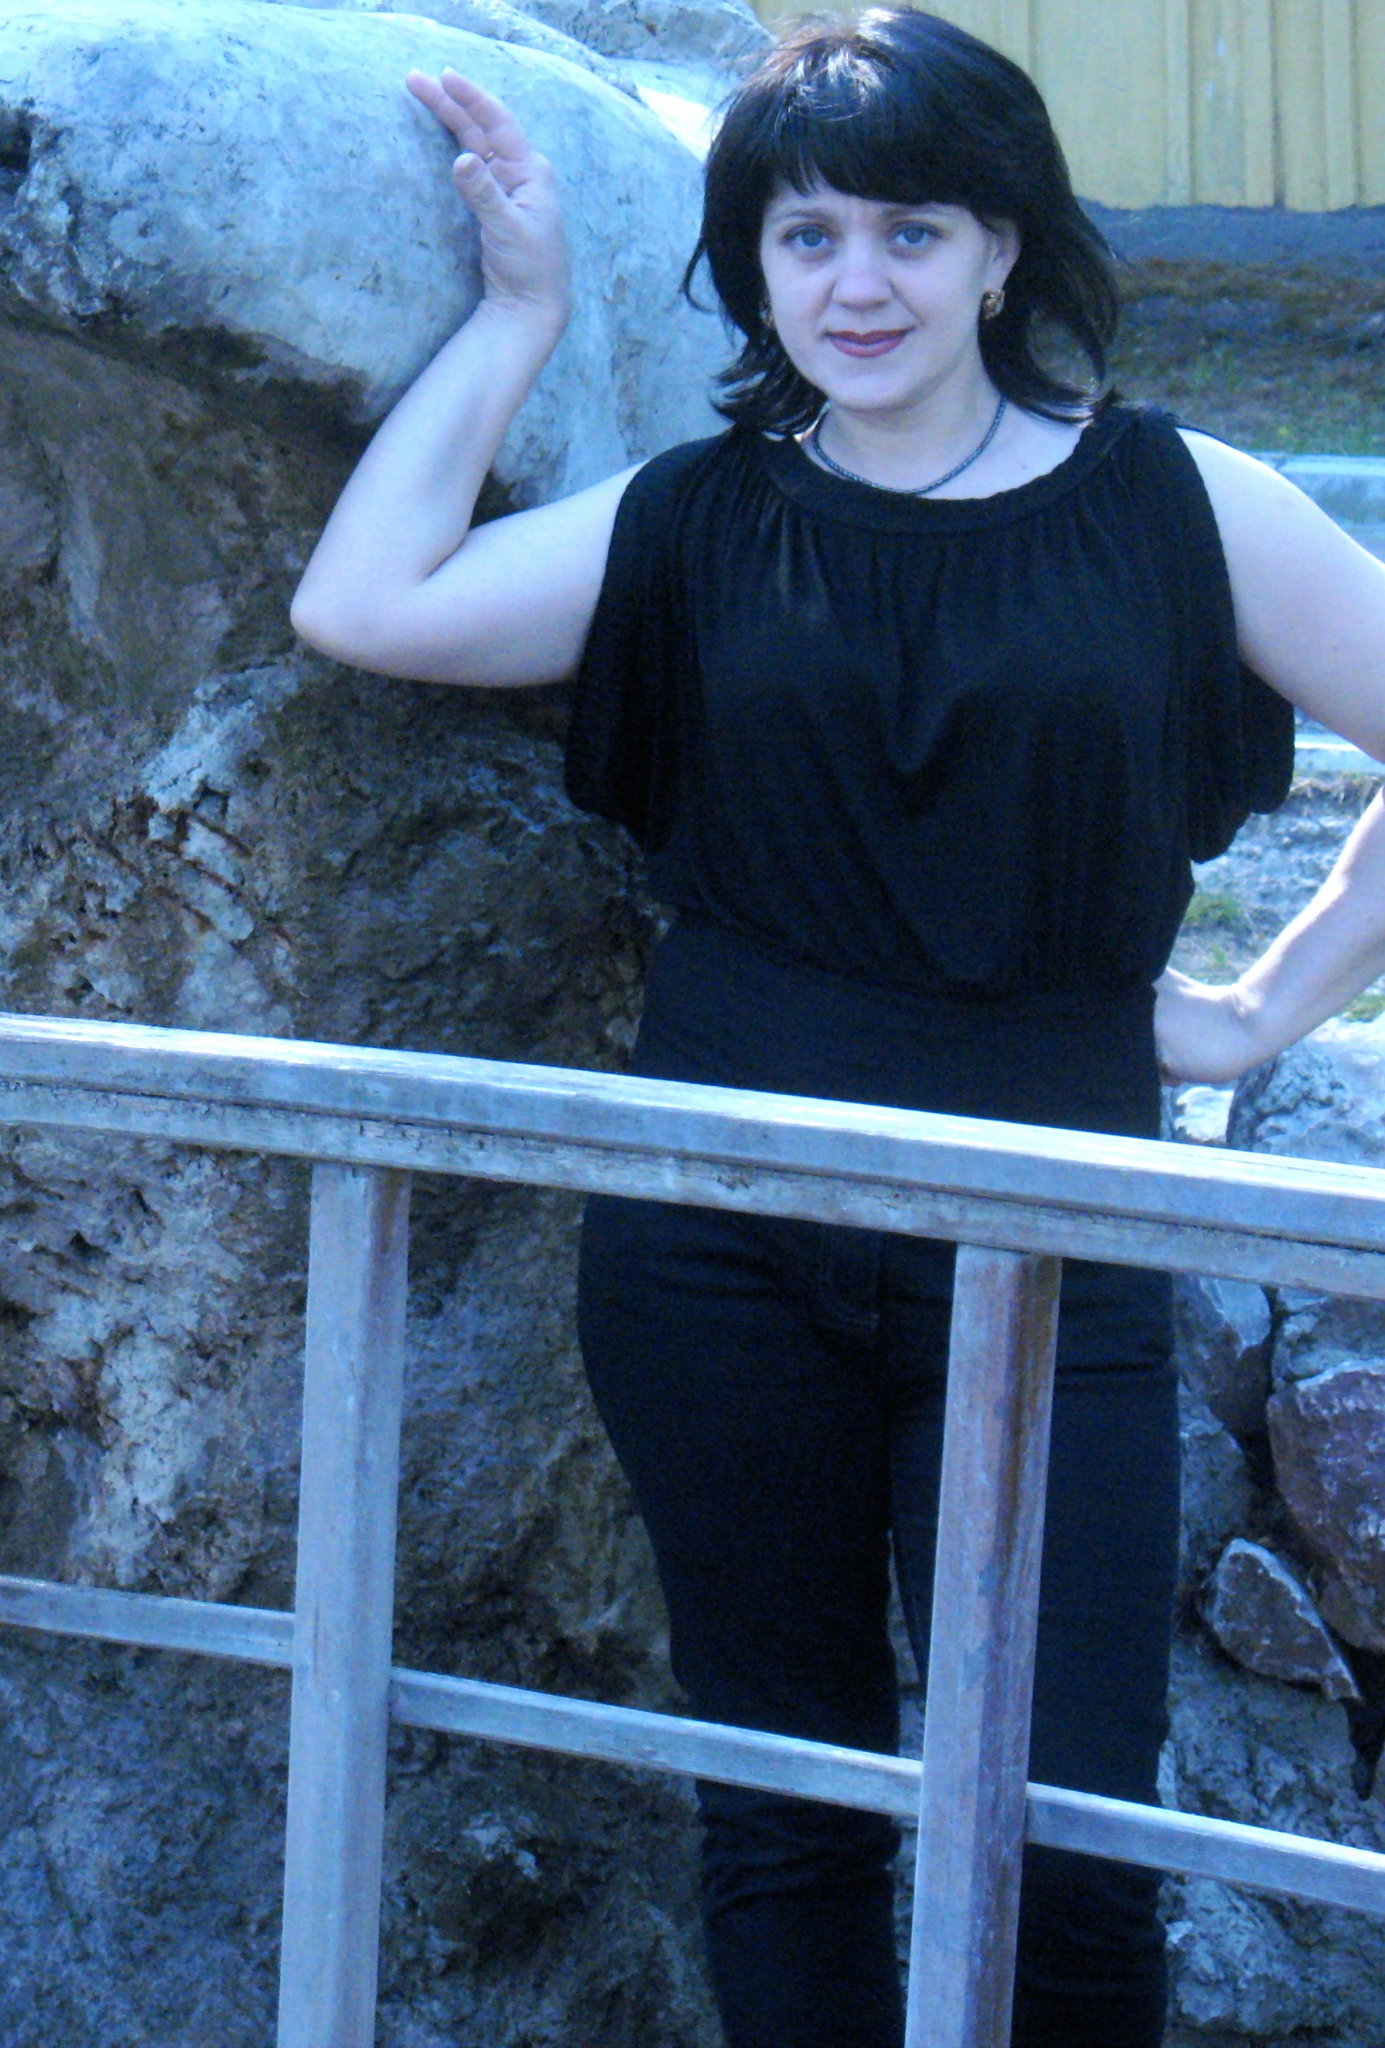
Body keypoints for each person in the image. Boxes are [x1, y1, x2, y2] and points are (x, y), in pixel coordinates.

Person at [289, 10, 1385, 2046]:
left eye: (909, 231)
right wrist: (521, 315)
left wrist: (1259, 1009)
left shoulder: (1183, 503)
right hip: (717, 1251)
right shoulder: (694, 521)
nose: (855, 284)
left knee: (1070, 1832)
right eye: (805, 237)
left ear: (1001, 247)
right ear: (754, 266)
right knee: (785, 1814)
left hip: (1052, 1244)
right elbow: (365, 604)